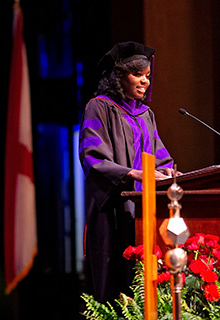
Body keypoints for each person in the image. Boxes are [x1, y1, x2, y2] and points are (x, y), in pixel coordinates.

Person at [79, 41, 177, 303]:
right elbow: (91, 156)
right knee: (114, 279)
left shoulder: (146, 115)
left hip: (145, 209)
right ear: (118, 76)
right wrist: (132, 174)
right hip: (113, 207)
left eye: (147, 76)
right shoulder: (98, 107)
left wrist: (168, 173)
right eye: (138, 75)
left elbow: (160, 157)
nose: (145, 82)